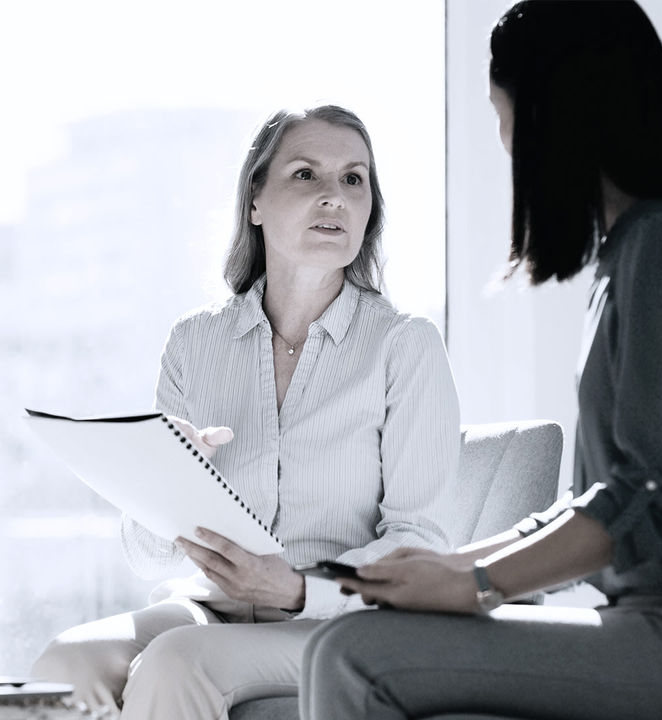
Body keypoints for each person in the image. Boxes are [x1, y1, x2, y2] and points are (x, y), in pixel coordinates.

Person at [301, 3, 662, 719]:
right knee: (358, 638)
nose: (503, 140)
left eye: (504, 113)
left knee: (352, 655)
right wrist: (450, 566)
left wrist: (477, 583)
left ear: (558, 115)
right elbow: (606, 500)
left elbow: (646, 498)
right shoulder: (638, 253)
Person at [31, 105, 460, 719]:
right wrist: (166, 476)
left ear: (370, 209)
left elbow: (421, 545)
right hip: (209, 606)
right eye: (306, 175)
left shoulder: (405, 346)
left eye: (353, 179)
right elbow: (148, 555)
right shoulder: (195, 343)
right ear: (255, 200)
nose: (334, 197)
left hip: (338, 627)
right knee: (63, 665)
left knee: (179, 662)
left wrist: (296, 589)